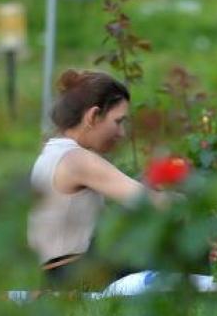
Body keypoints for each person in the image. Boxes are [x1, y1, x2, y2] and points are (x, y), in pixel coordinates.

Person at [28, 69, 151, 288]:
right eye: (118, 121)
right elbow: (147, 201)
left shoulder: (52, 152)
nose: (122, 133)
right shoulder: (77, 160)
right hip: (75, 274)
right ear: (93, 116)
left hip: (56, 273)